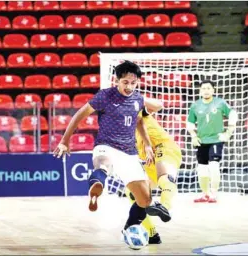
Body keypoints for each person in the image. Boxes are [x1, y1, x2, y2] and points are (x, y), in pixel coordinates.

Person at [53, 61, 171, 231]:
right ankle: (96, 188)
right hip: (105, 144)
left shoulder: (138, 99)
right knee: (102, 164)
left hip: (130, 152)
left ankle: (141, 212)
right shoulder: (105, 96)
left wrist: (146, 145)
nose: (129, 86)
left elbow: (139, 122)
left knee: (144, 200)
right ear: (117, 81)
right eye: (125, 82)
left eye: (133, 83)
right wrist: (65, 141)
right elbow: (80, 114)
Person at [124, 103, 182, 244]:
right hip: (147, 159)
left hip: (163, 146)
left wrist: (137, 97)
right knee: (132, 191)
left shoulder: (135, 107)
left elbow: (159, 105)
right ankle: (151, 234)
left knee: (165, 176)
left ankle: (165, 207)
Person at [187, 80, 238, 203]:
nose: (206, 90)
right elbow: (190, 122)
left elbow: (233, 113)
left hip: (216, 140)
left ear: (213, 90)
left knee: (214, 166)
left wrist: (228, 132)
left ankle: (214, 193)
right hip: (201, 141)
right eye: (203, 88)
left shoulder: (220, 102)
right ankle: (205, 194)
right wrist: (194, 136)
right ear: (200, 91)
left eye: (208, 88)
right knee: (202, 169)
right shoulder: (195, 105)